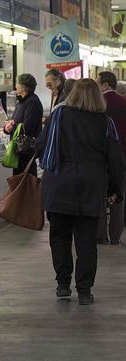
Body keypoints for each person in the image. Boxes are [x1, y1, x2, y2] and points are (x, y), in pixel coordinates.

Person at [37, 78, 125, 305]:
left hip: (58, 183)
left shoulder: (58, 116)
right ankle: (84, 291)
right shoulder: (105, 123)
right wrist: (115, 189)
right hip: (91, 186)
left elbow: (41, 146)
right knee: (87, 241)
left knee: (59, 236)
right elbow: (115, 160)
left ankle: (63, 284)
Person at [96, 71, 126, 245]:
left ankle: (101, 235)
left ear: (105, 84)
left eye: (98, 83)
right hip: (123, 156)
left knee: (100, 195)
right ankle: (115, 236)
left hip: (103, 158)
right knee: (119, 196)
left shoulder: (99, 104)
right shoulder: (124, 102)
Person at [3, 74, 43, 176]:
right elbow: (15, 121)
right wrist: (7, 127)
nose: (15, 86)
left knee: (26, 179)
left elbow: (29, 126)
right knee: (19, 177)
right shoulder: (21, 101)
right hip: (19, 149)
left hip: (26, 149)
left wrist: (13, 125)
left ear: (23, 87)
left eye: (17, 83)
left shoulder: (32, 102)